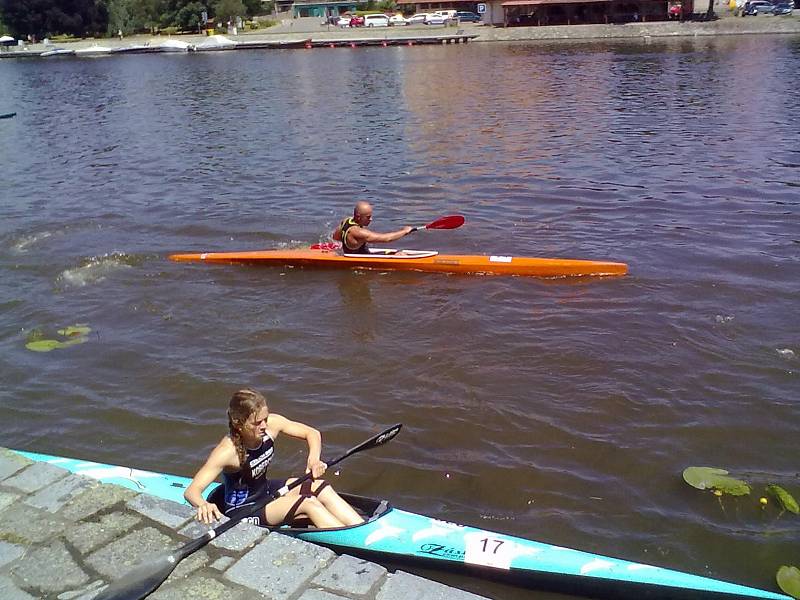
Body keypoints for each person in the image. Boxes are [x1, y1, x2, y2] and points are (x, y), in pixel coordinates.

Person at [184, 388, 364, 528]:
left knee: (321, 486)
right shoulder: (226, 452)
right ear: (239, 424)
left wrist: (314, 459)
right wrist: (203, 505)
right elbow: (191, 491)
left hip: (266, 491)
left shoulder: (271, 424)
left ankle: (360, 529)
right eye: (257, 423)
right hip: (243, 510)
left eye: (265, 419)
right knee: (309, 503)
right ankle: (353, 544)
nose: (264, 426)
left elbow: (312, 433)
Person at [332, 201, 413, 254]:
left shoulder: (347, 220)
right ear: (358, 217)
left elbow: (336, 237)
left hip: (359, 254)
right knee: (400, 254)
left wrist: (349, 244)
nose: (371, 219)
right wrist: (404, 231)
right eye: (368, 217)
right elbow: (386, 239)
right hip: (360, 260)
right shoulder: (358, 232)